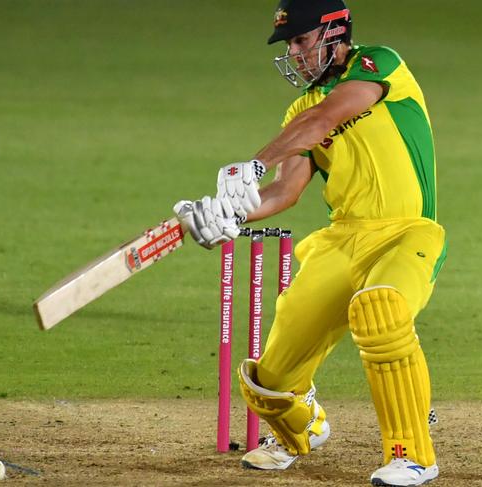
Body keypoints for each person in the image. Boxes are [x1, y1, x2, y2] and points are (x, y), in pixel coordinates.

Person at [174, 0, 447, 485]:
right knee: (271, 378)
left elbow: (325, 120)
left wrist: (253, 162)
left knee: (380, 309)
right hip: (341, 241)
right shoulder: (300, 109)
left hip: (407, 232)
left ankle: (412, 455)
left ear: (334, 32)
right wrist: (226, 213)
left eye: (301, 41)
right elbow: (284, 191)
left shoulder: (378, 65)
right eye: (290, 45)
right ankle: (302, 428)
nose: (296, 54)